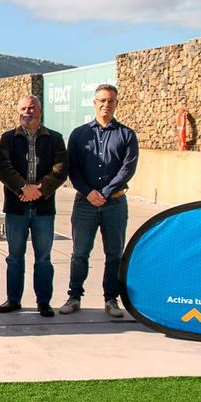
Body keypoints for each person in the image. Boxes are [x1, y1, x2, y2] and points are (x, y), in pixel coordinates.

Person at [61, 84, 139, 318]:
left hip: (114, 203)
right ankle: (74, 296)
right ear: (94, 103)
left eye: (111, 101)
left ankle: (111, 299)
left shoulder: (126, 135)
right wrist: (88, 192)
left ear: (116, 104)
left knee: (114, 254)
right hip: (85, 203)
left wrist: (105, 192)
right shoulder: (79, 134)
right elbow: (72, 169)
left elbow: (128, 169)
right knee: (80, 253)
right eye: (102, 100)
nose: (106, 105)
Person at [0, 95, 68, 318]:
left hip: (43, 208)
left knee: (43, 258)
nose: (28, 112)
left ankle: (43, 301)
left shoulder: (55, 138)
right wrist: (23, 189)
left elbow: (61, 168)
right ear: (19, 111)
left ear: (41, 111)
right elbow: (4, 168)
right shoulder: (8, 138)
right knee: (15, 256)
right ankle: (14, 299)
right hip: (17, 207)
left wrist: (40, 189)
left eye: (32, 107)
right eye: (24, 108)